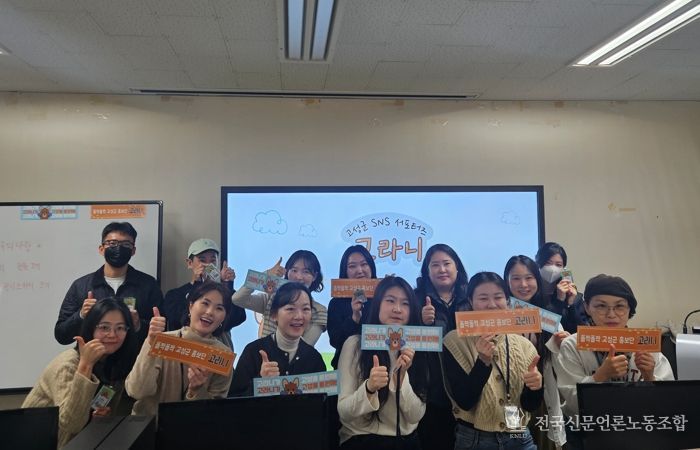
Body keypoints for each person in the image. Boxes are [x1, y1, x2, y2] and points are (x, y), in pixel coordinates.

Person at [554, 274, 674, 450]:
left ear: (629, 309)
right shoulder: (573, 344)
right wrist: (600, 376)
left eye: (619, 306)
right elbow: (572, 404)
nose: (611, 314)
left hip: (637, 431)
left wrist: (650, 377)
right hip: (586, 434)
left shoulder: (645, 342)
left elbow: (668, 402)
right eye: (601, 306)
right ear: (587, 307)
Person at [443, 272, 543, 450]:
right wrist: (482, 362)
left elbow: (530, 405)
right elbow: (465, 401)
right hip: (475, 439)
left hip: (519, 435)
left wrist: (535, 387)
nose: (491, 304)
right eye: (483, 298)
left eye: (498, 297)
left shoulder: (524, 345)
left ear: (507, 301)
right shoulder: (454, 342)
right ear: (471, 302)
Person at [23, 298, 138, 448]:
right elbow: (71, 424)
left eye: (120, 328)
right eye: (104, 327)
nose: (112, 334)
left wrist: (100, 418)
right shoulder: (67, 364)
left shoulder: (113, 363)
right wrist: (86, 366)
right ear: (90, 328)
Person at [337, 276, 427, 449]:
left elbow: (416, 415)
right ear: (377, 304)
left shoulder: (418, 347)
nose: (397, 309)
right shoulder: (355, 344)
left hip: (406, 442)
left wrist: (401, 381)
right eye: (390, 301)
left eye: (405, 303)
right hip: (362, 441)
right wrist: (369, 388)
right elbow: (344, 411)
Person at [125, 281, 234, 415]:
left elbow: (215, 412)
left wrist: (196, 391)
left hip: (193, 426)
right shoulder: (161, 341)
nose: (210, 312)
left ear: (224, 317)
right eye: (205, 303)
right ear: (190, 306)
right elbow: (137, 391)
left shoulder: (222, 355)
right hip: (150, 425)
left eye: (219, 308)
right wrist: (150, 343)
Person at [54, 222, 163, 346]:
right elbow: (61, 335)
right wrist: (81, 315)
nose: (119, 248)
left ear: (133, 250)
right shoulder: (81, 286)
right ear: (101, 249)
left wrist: (138, 325)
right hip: (93, 357)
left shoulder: (148, 285)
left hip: (135, 358)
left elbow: (163, 334)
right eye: (112, 243)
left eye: (126, 244)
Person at [504, 255, 568, 449]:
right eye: (516, 278)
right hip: (509, 397)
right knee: (514, 441)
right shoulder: (499, 315)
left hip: (541, 395)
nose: (523, 284)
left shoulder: (546, 316)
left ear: (537, 280)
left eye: (529, 278)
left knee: (543, 443)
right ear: (507, 281)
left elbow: (558, 364)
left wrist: (559, 344)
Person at [414, 243, 469, 450]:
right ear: (427, 271)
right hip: (432, 392)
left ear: (457, 267)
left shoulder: (471, 297)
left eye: (447, 263)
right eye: (435, 265)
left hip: (468, 387)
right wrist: (420, 322)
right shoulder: (416, 298)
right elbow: (403, 339)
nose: (442, 269)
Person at [228, 282, 326, 397]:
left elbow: (322, 403)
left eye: (305, 309)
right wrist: (262, 382)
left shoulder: (314, 358)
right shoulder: (253, 351)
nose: (299, 316)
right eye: (290, 309)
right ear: (274, 314)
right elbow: (233, 401)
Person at [163, 238, 245, 350]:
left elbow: (238, 317)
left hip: (217, 355)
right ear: (190, 263)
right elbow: (181, 321)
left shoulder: (224, 292)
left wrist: (227, 285)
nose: (207, 265)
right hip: (184, 353)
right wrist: (197, 284)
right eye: (202, 260)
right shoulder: (174, 294)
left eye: (213, 261)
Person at [231, 250, 328, 345]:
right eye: (294, 270)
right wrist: (266, 275)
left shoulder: (319, 311)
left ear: (315, 276)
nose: (299, 277)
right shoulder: (272, 299)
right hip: (262, 355)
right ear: (287, 272)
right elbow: (238, 299)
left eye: (306, 271)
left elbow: (305, 347)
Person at [327, 245, 377, 369]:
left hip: (377, 366)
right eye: (352, 266)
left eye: (364, 264)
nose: (359, 270)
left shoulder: (382, 298)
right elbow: (335, 341)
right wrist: (354, 318)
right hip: (345, 368)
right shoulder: (336, 303)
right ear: (345, 271)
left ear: (371, 267)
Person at [535, 242, 587, 333]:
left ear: (564, 268)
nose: (553, 268)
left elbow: (580, 332)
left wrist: (570, 304)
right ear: (538, 263)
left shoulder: (574, 296)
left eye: (558, 265)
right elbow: (545, 329)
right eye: (548, 263)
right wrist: (558, 301)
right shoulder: (532, 294)